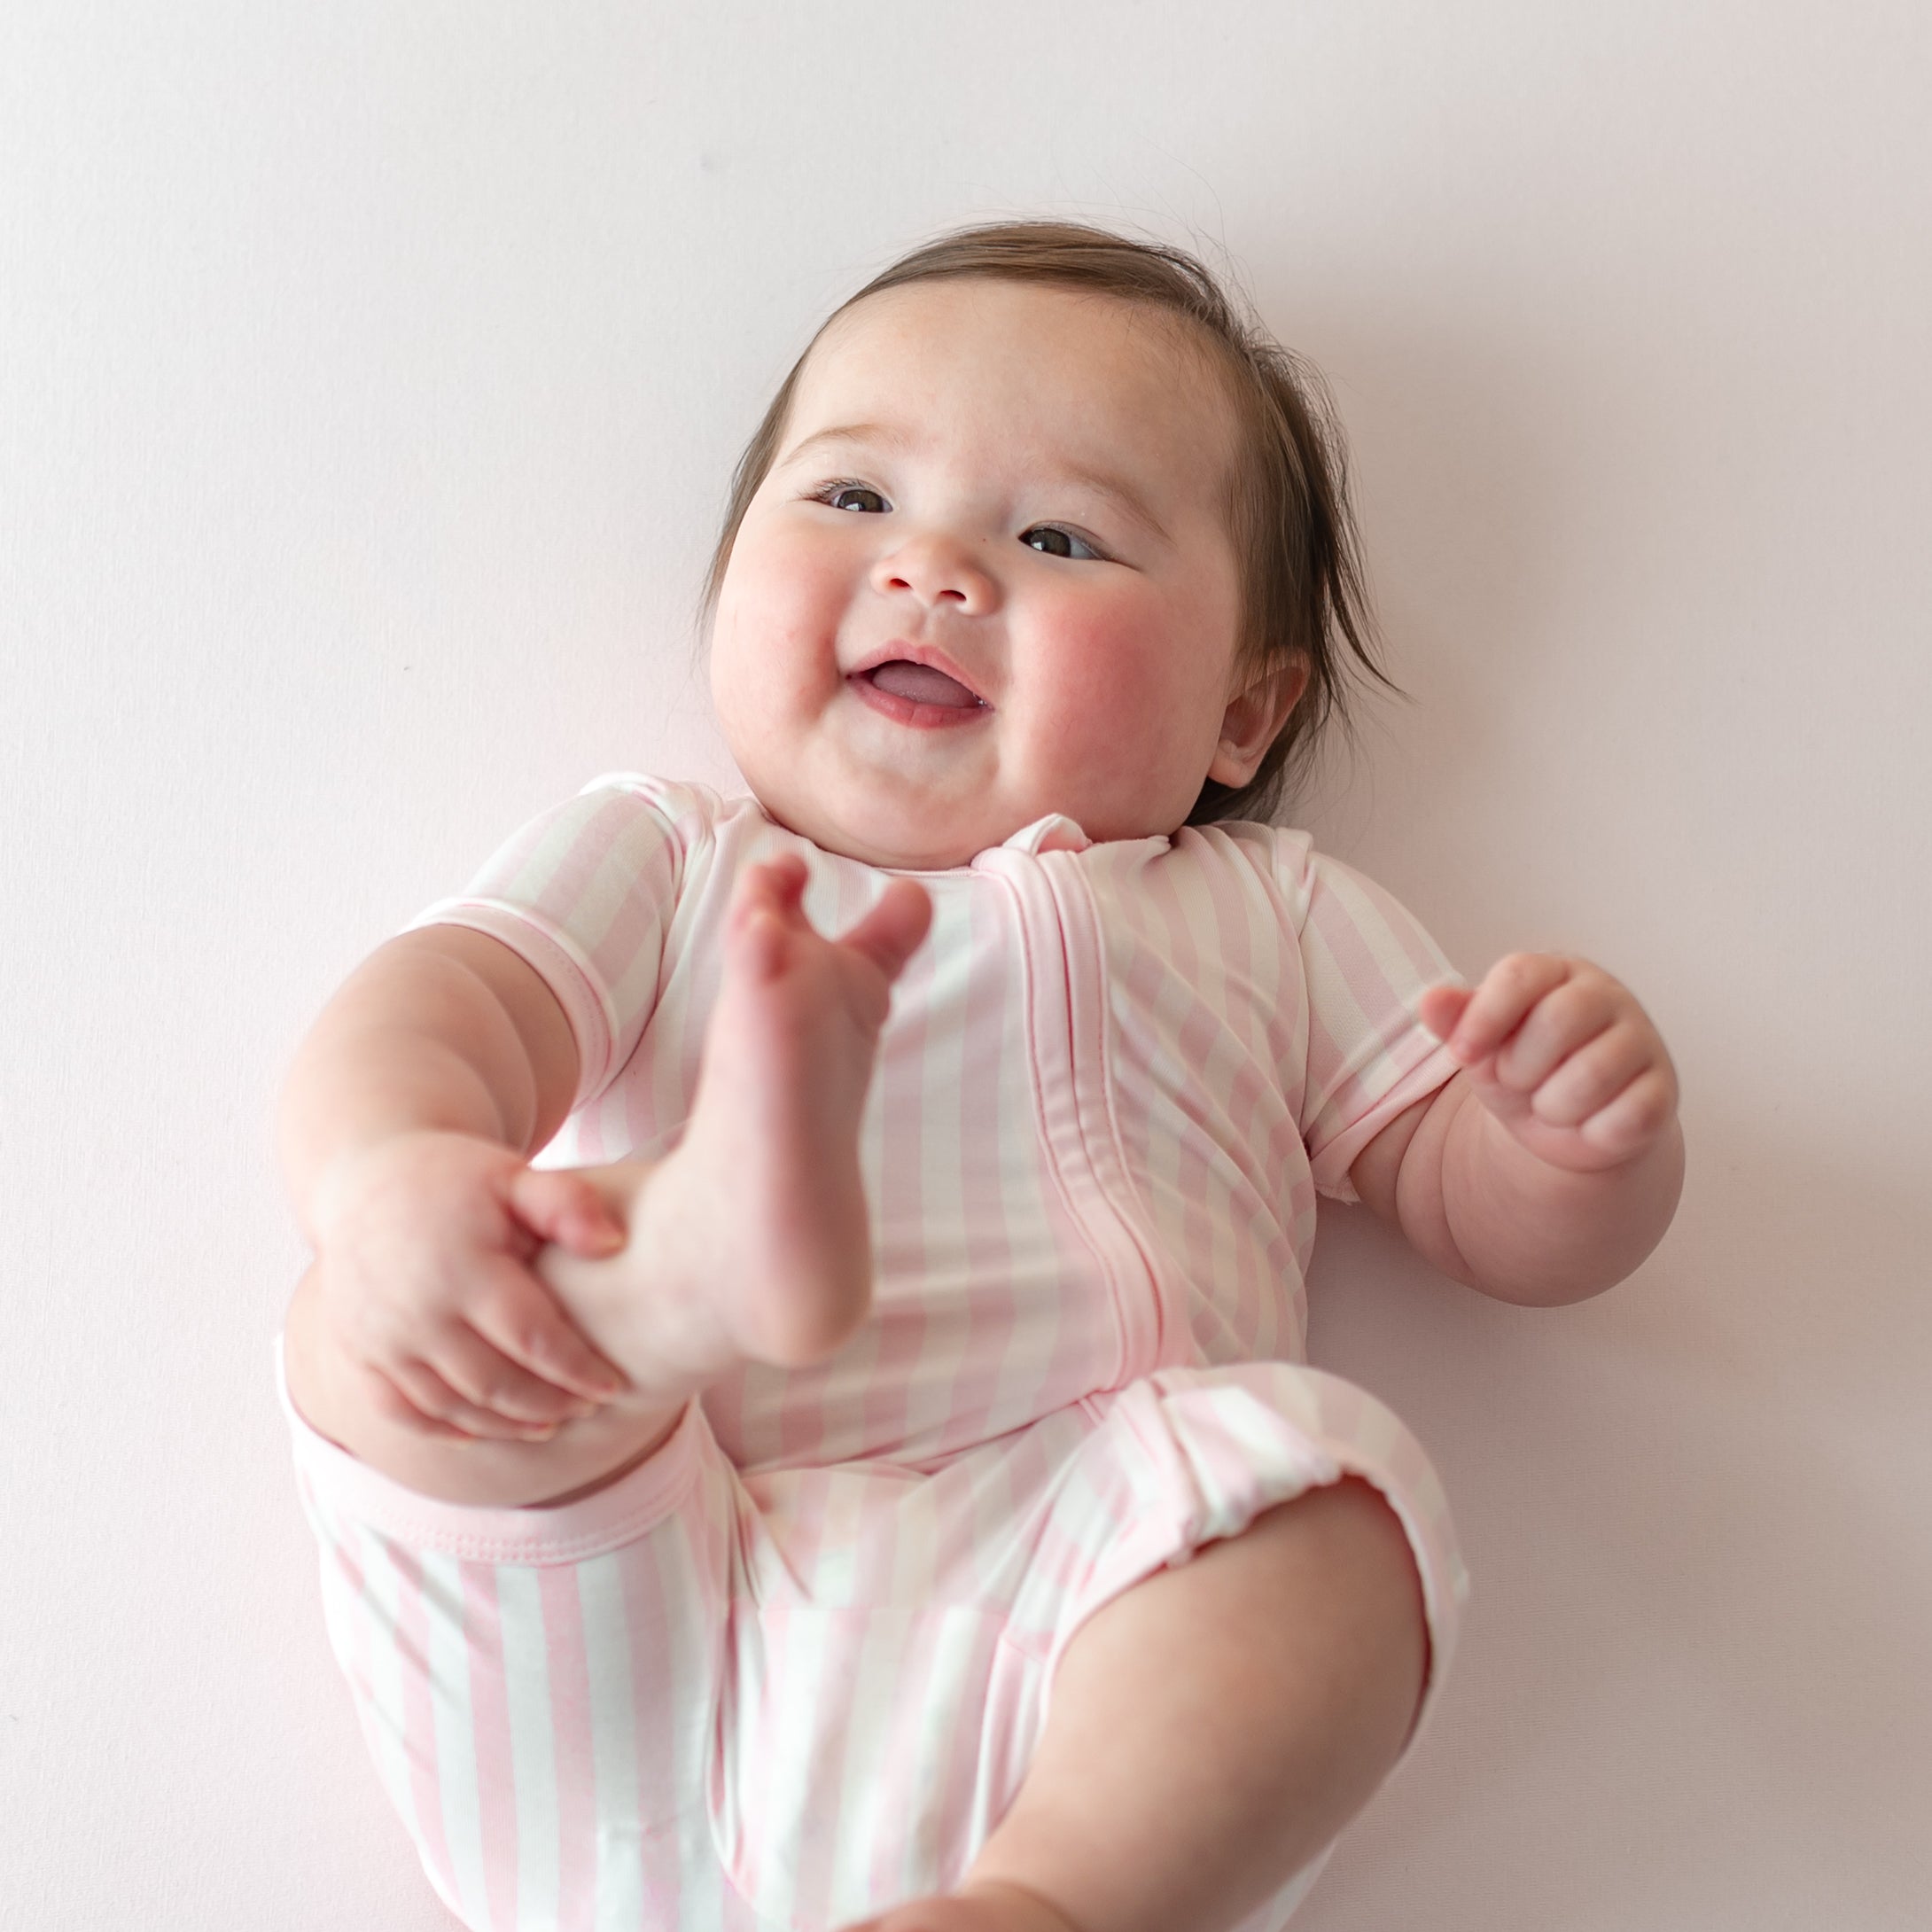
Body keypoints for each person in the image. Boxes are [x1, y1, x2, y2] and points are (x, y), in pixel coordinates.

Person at [277, 222, 1684, 1932]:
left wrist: (1572, 1147)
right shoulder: (670, 861)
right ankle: (696, 1263)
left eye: (1061, 535)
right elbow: (447, 1001)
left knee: (1330, 1501)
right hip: (639, 1595)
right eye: (854, 501)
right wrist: (391, 1171)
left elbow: (1479, 1199)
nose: (935, 568)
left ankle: (1054, 1905)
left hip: (1071, 1634)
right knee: (414, 1321)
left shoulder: (1266, 915)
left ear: (1243, 714)